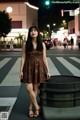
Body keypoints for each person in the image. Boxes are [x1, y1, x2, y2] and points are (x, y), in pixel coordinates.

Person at [20, 26, 50, 117]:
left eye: (35, 31)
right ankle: (37, 106)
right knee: (29, 88)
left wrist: (48, 71)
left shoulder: (42, 44)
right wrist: (21, 71)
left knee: (34, 89)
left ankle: (30, 108)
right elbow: (23, 57)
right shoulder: (26, 44)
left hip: (38, 68)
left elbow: (44, 58)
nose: (33, 32)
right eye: (31, 31)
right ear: (29, 33)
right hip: (28, 68)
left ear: (38, 32)